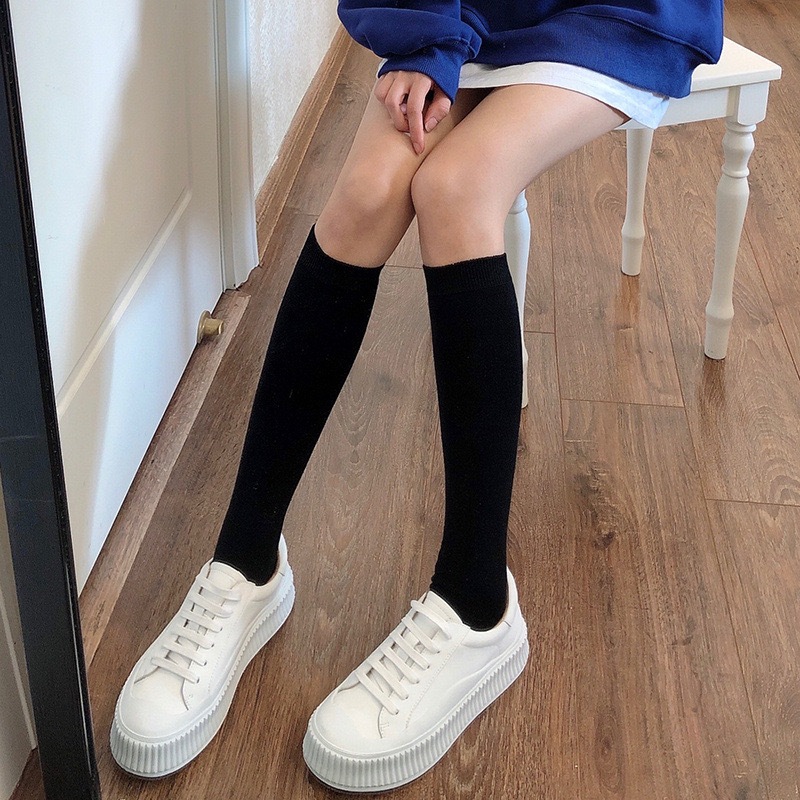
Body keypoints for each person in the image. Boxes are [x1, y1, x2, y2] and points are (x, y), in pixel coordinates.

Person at [110, 0, 723, 792]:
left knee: (457, 187)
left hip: (612, 12)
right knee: (368, 191)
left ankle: (477, 602)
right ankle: (245, 558)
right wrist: (426, 36)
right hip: (470, 8)